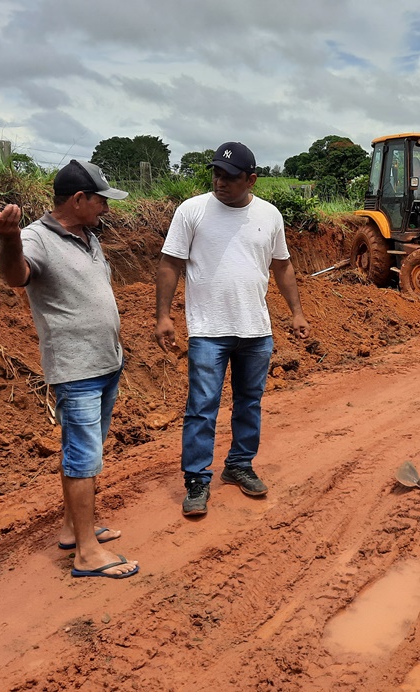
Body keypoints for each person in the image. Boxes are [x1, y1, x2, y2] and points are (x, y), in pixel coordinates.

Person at [0, 160, 139, 579]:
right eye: (101, 201)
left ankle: (74, 530)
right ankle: (87, 554)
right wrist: (10, 238)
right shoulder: (35, 238)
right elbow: (16, 275)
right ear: (78, 199)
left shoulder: (89, 236)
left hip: (106, 362)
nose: (106, 208)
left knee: (84, 451)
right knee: (82, 458)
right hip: (77, 369)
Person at [156, 141, 310, 517]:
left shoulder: (270, 215)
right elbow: (170, 263)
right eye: (216, 174)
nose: (219, 182)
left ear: (250, 179)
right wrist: (163, 316)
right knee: (202, 407)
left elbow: (282, 266)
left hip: (256, 330)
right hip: (208, 330)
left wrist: (297, 312)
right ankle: (197, 479)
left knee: (249, 403)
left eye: (229, 176)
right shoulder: (192, 211)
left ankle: (239, 464)